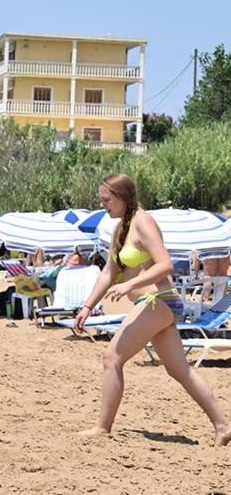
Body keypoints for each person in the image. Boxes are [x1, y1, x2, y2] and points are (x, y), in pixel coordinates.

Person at [74, 173, 231, 446]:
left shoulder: (143, 222)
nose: (103, 205)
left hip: (159, 300)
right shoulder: (120, 228)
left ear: (123, 198)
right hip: (153, 304)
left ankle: (102, 427)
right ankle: (223, 426)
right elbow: (109, 272)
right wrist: (87, 306)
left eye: (107, 200)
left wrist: (130, 284)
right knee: (179, 370)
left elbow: (165, 265)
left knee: (112, 357)